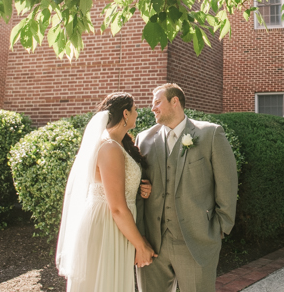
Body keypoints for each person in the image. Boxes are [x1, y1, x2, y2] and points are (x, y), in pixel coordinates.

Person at [135, 83, 238, 292]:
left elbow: (227, 183)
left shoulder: (210, 134)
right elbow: (136, 186)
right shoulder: (144, 139)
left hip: (197, 242)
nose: (152, 108)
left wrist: (220, 228)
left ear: (175, 102)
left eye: (157, 102)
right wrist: (140, 237)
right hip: (154, 245)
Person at [56, 92, 157, 292]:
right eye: (135, 110)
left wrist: (140, 189)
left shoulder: (119, 145)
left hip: (117, 225)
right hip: (107, 225)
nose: (138, 114)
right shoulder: (109, 147)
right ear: (126, 114)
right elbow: (118, 207)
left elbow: (117, 187)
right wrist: (141, 245)